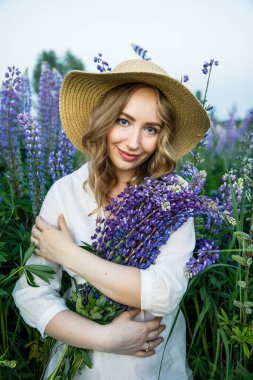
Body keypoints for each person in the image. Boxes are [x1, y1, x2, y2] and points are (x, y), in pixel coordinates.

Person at [13, 59, 210, 380]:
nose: (134, 142)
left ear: (162, 136)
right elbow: (31, 292)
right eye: (123, 121)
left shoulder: (175, 193)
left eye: (151, 129)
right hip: (76, 368)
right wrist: (104, 339)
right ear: (104, 120)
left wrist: (69, 255)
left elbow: (165, 292)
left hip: (154, 367)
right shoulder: (65, 191)